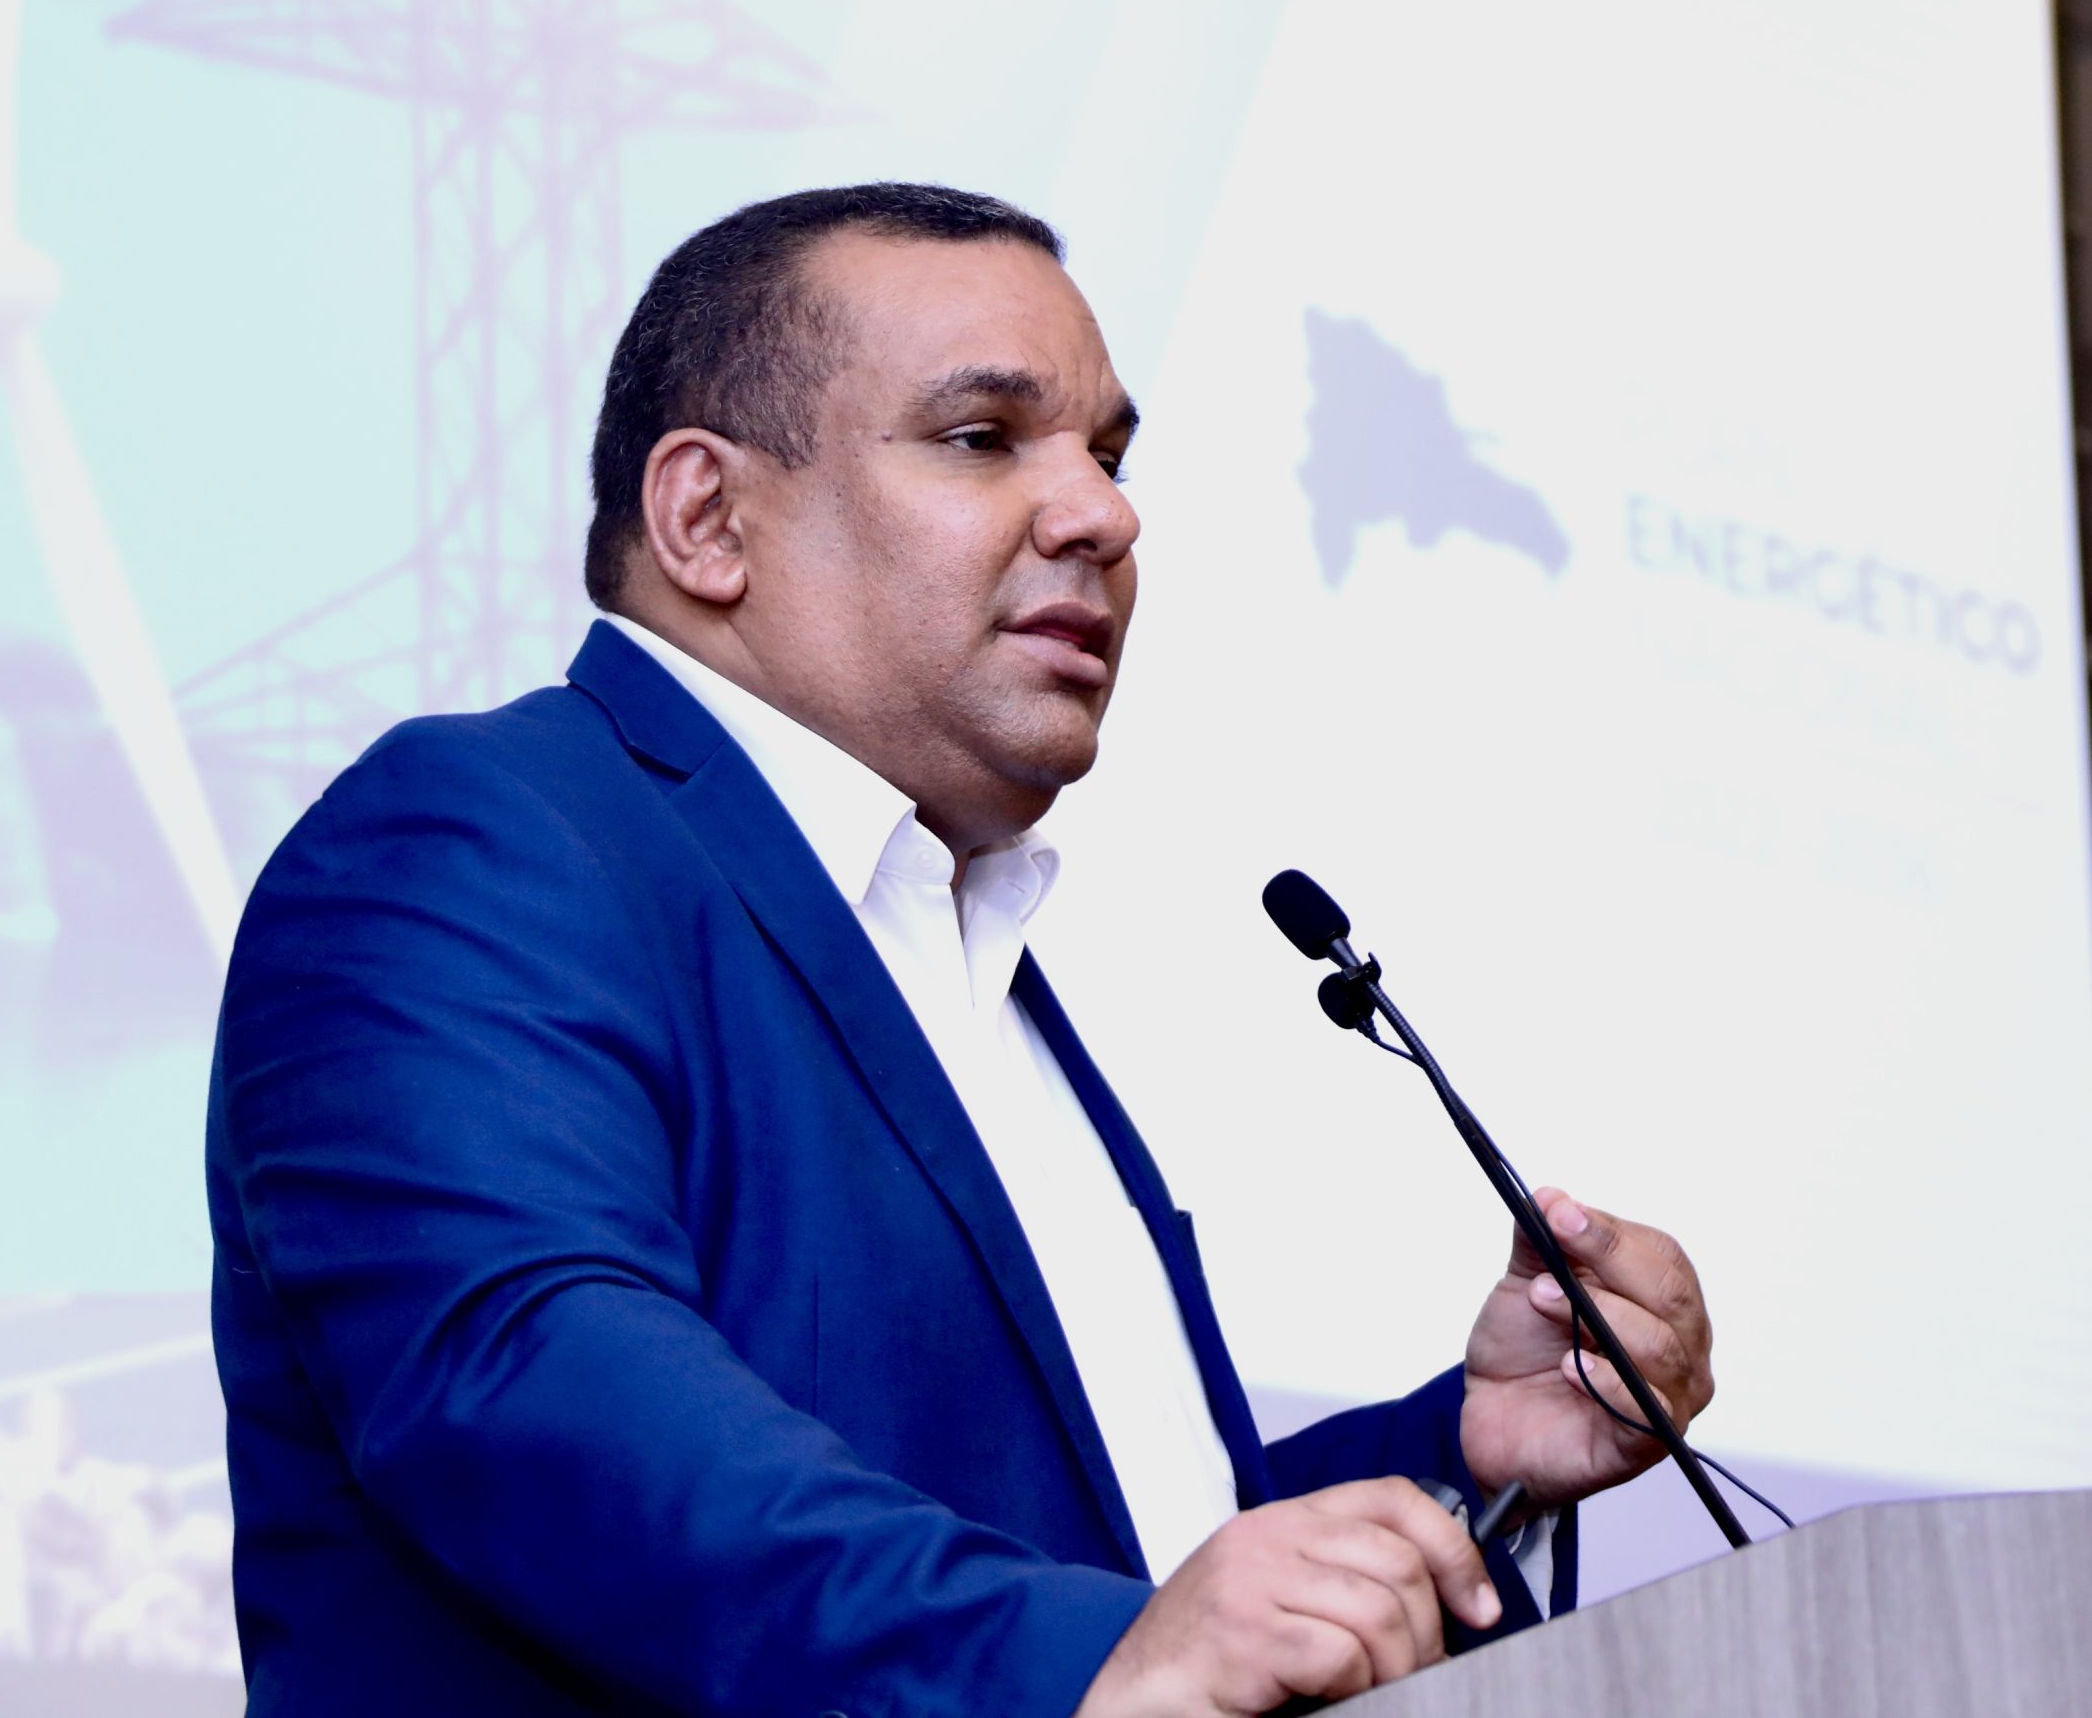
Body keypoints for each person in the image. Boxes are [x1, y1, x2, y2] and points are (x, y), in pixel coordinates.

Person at [208, 182, 1716, 1717]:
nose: (1105, 516)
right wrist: (1078, 1659)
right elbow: (534, 1399)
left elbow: (1121, 1554)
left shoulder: (954, 928)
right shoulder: (477, 838)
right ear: (708, 519)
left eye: (1109, 455)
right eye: (984, 437)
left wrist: (1463, 1456)